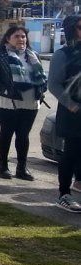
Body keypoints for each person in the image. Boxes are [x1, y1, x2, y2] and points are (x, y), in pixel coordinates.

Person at [0, 26, 47, 181]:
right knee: (6, 133)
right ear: (8, 39)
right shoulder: (0, 56)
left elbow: (41, 76)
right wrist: (3, 89)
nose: (21, 39)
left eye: (23, 36)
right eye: (17, 36)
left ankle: (22, 168)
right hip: (8, 101)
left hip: (31, 101)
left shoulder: (33, 55)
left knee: (23, 135)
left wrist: (41, 89)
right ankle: (3, 166)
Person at [48, 15, 81, 212]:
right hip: (73, 112)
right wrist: (72, 105)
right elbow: (54, 84)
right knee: (70, 153)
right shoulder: (63, 54)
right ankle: (64, 194)